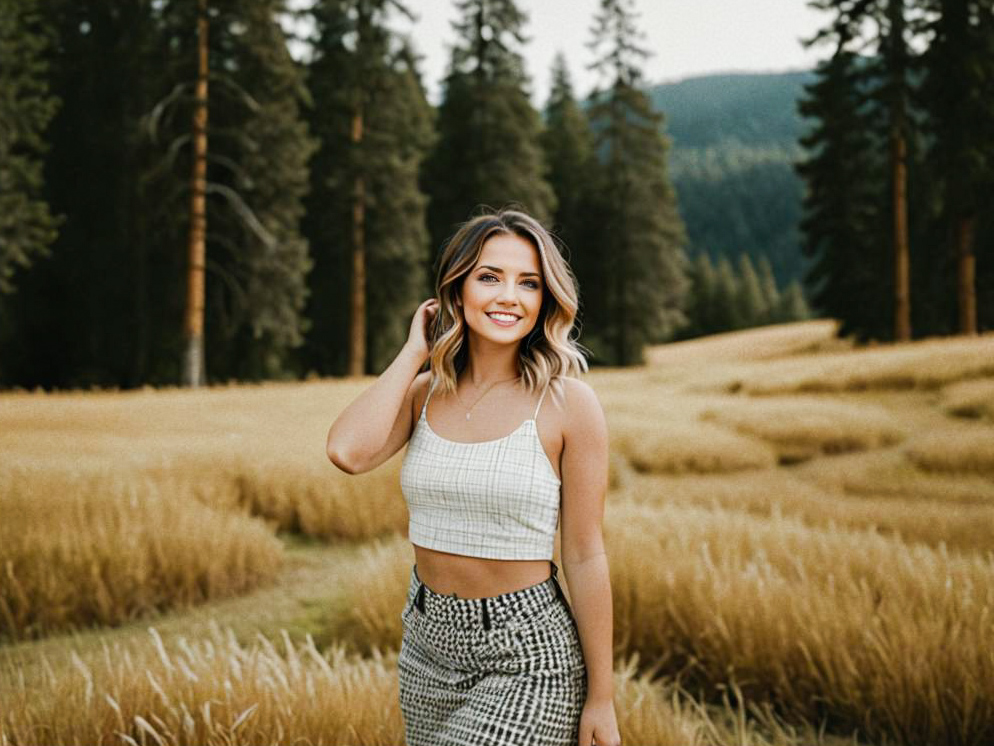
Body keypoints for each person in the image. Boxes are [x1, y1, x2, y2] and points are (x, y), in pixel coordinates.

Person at [326, 207, 620, 746]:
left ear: (544, 300)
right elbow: (347, 451)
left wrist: (600, 697)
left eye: (528, 283)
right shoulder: (424, 394)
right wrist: (416, 350)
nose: (510, 296)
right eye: (490, 277)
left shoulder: (568, 403)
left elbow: (584, 553)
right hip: (426, 647)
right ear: (456, 291)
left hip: (527, 654)